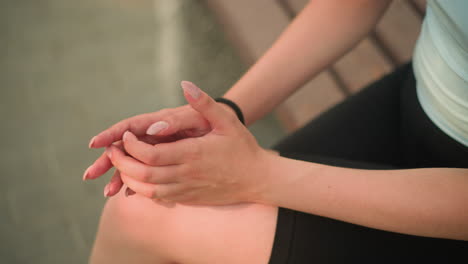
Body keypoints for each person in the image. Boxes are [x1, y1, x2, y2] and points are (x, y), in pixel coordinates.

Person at [84, 0, 468, 263]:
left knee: (139, 216)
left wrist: (259, 176)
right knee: (147, 202)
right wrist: (223, 113)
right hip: (421, 95)